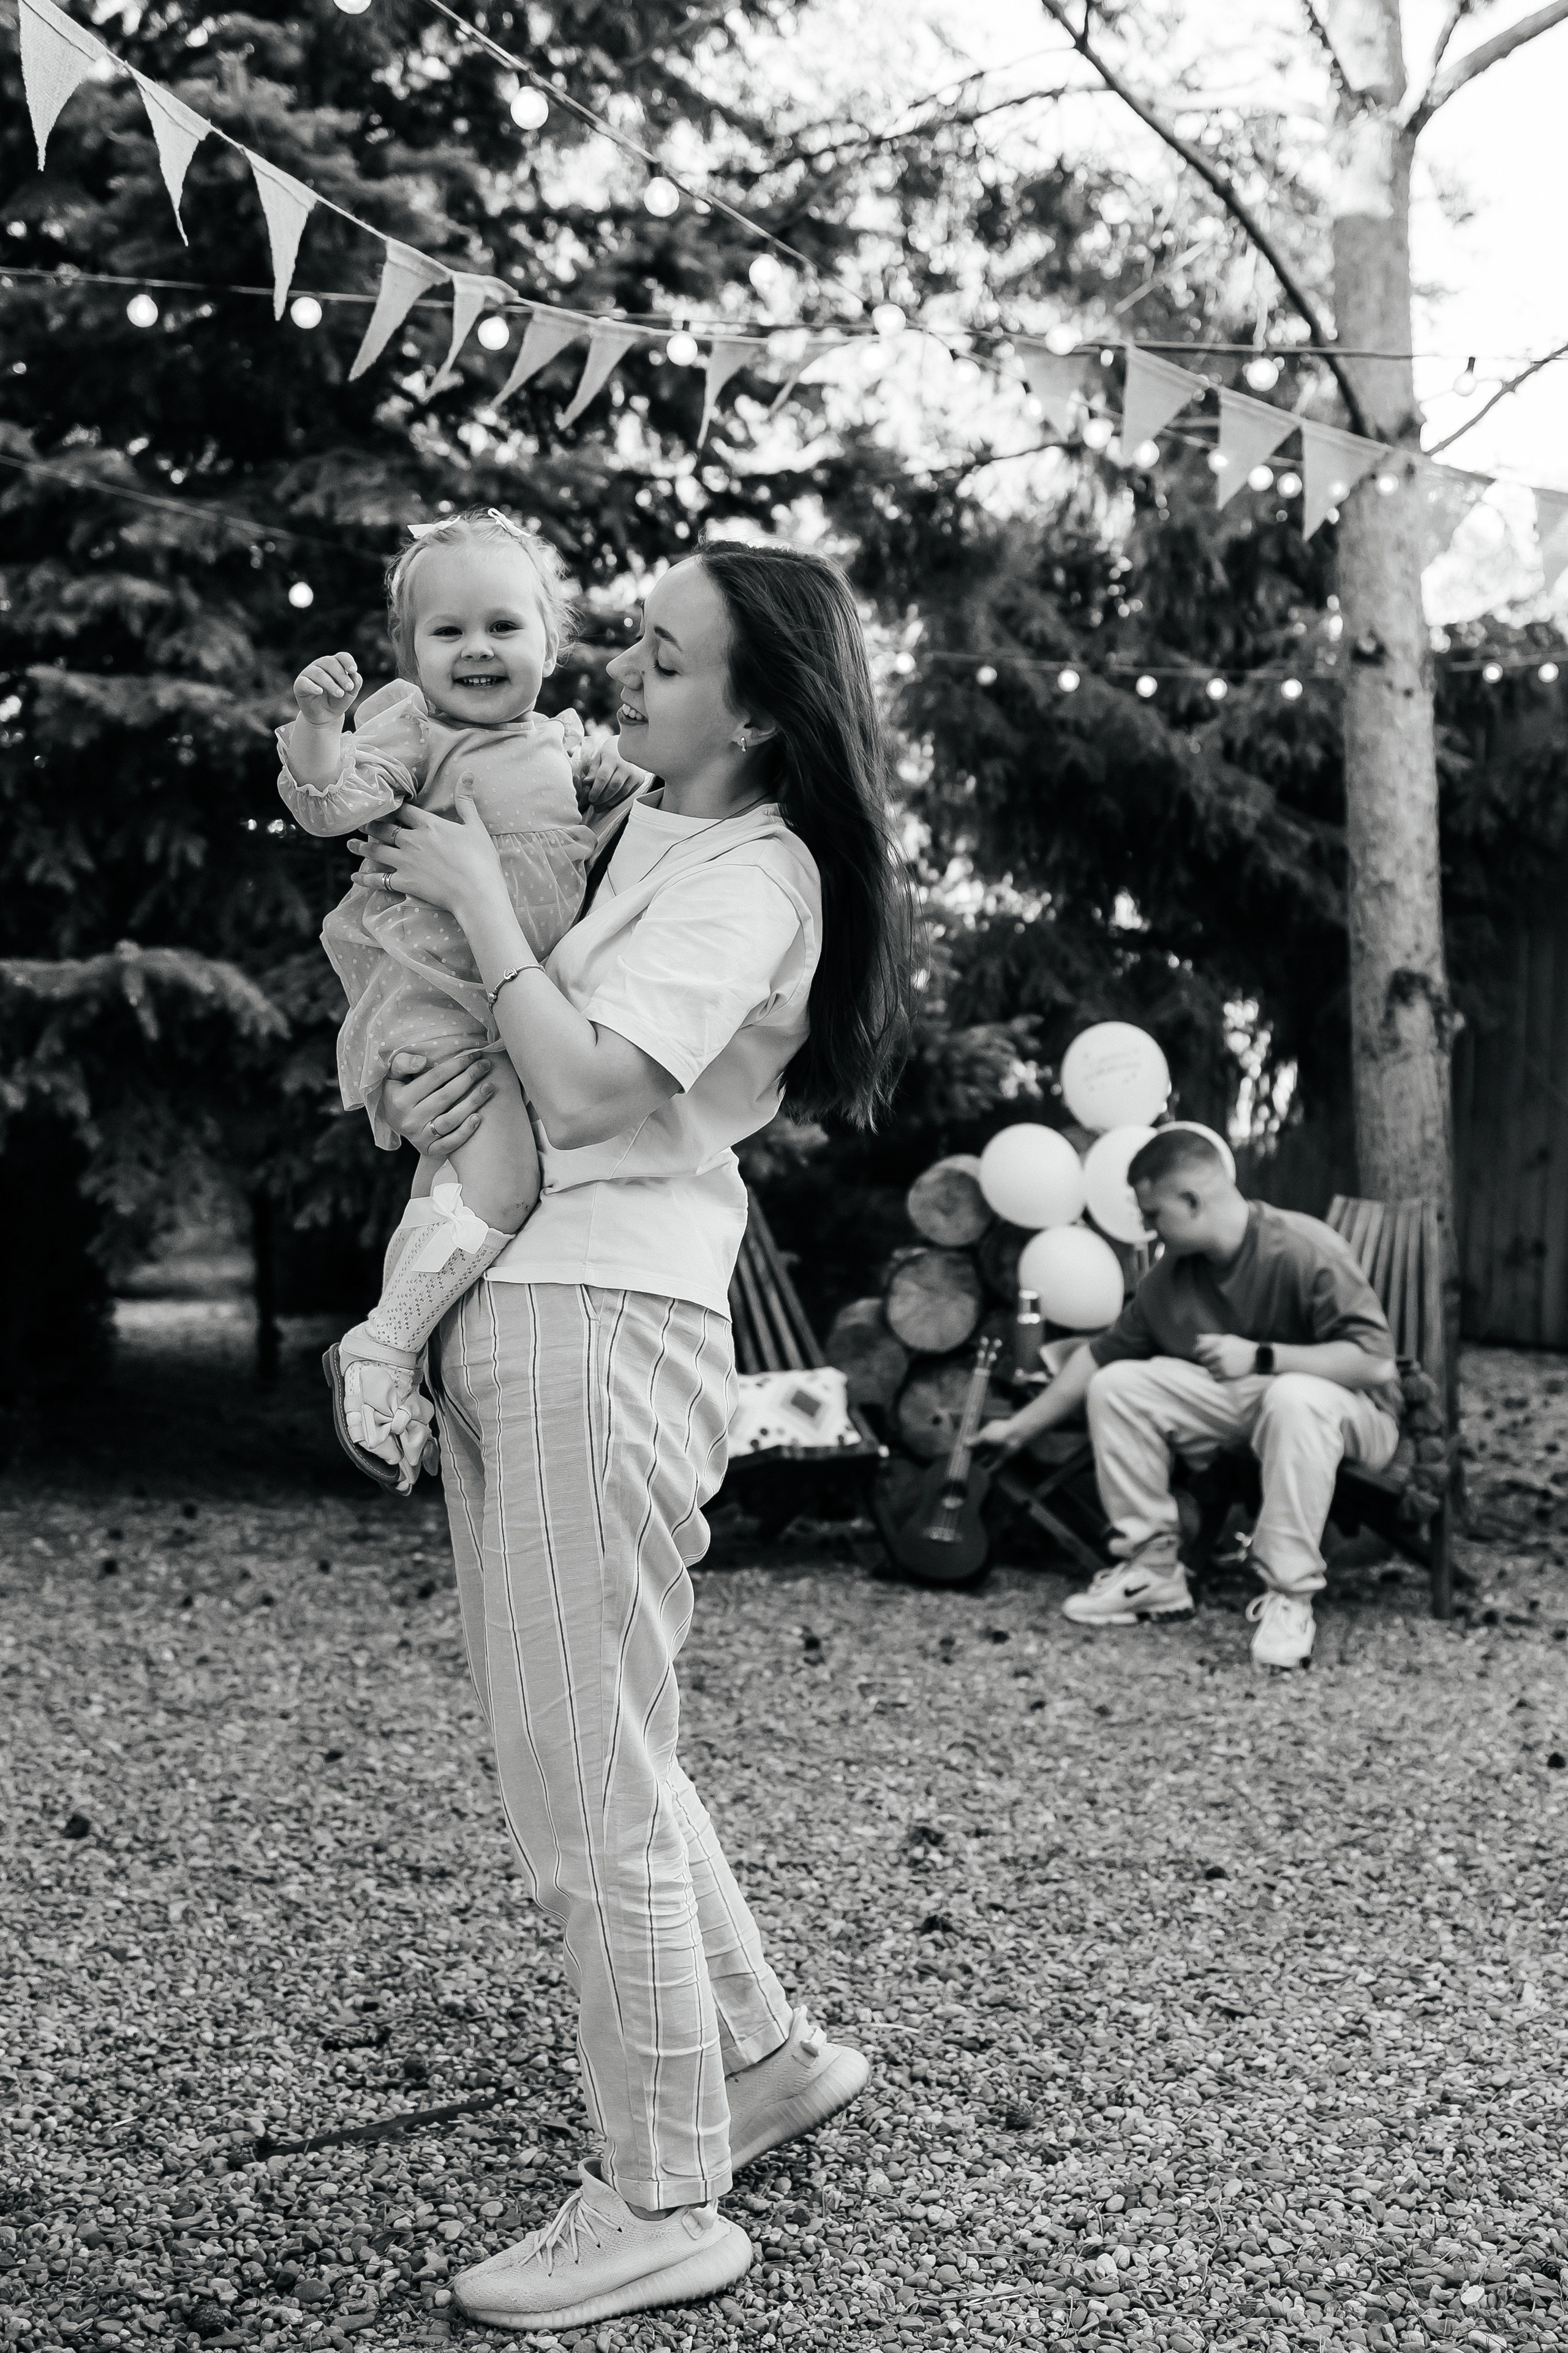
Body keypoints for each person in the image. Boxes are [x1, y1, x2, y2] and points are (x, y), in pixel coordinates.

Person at [353, 542, 918, 2333]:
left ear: (755, 711)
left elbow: (597, 1080)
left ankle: (665, 2195)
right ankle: (753, 2054)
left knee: (580, 1784)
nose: (622, 671)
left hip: (596, 1318)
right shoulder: (655, 827)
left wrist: (478, 905)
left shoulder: (757, 872)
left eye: (666, 659)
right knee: (610, 1742)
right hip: (543, 1298)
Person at [277, 509, 643, 1492]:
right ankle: (382, 1347)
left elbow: (603, 851)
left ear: (551, 646)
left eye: (503, 626)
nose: (476, 647)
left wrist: (615, 785)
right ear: (411, 654)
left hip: (516, 1014)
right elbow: (328, 801)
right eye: (447, 631)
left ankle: (405, 1375)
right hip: (440, 1005)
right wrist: (319, 728)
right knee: (503, 1187)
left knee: (452, 1193)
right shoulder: (415, 734)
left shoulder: (562, 746)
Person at [978, 1128, 1402, 1669]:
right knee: (1120, 1384)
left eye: (1153, 1214)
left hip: (1353, 1414)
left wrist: (1262, 1356)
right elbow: (1098, 1358)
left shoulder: (1302, 1247)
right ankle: (1153, 1572)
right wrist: (1018, 1430)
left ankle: (1290, 1597)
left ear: (1193, 1201)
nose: (1146, 1227)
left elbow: (1375, 1362)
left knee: (1294, 1396)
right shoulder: (1170, 1277)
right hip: (1255, 1403)